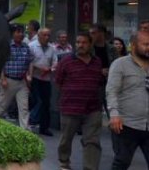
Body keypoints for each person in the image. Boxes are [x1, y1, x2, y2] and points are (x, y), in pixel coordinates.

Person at [55, 32, 104, 170]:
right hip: (71, 107)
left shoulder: (97, 62)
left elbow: (99, 82)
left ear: (90, 44)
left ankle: (90, 167)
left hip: (93, 108)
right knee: (66, 138)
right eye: (78, 42)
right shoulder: (66, 61)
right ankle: (64, 162)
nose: (80, 45)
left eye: (84, 42)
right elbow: (58, 82)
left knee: (92, 141)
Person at [106, 30, 149, 170]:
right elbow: (111, 91)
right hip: (126, 124)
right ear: (134, 45)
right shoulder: (120, 64)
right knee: (122, 162)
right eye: (146, 44)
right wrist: (114, 114)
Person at [0, 23, 34, 130]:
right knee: (1, 107)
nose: (21, 34)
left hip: (22, 81)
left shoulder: (26, 47)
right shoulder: (6, 46)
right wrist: (2, 79)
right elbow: (0, 63)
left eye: (22, 32)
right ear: (12, 34)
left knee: (24, 107)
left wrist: (29, 75)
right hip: (8, 80)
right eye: (18, 32)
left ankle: (25, 131)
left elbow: (30, 61)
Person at [29, 27, 58, 136]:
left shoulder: (52, 48)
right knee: (37, 101)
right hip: (35, 78)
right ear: (39, 35)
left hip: (46, 79)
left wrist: (50, 69)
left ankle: (44, 127)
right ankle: (31, 121)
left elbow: (55, 62)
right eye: (44, 35)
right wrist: (38, 69)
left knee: (46, 103)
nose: (47, 37)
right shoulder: (32, 46)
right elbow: (28, 62)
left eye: (48, 35)